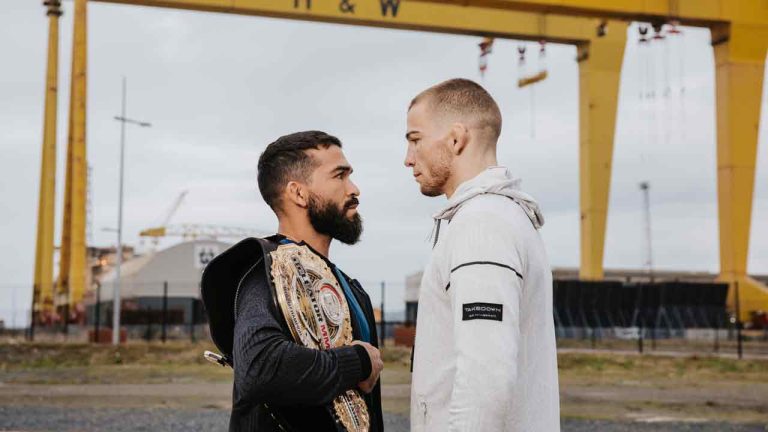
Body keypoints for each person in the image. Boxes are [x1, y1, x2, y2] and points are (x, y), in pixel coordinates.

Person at [404, 79, 560, 431]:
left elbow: (485, 378)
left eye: (415, 140)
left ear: (456, 139)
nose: (408, 159)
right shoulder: (499, 217)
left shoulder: (482, 225)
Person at [201, 131, 384, 432]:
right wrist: (359, 361)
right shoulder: (265, 274)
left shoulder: (352, 288)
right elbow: (260, 368)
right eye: (339, 176)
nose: (354, 189)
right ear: (299, 193)